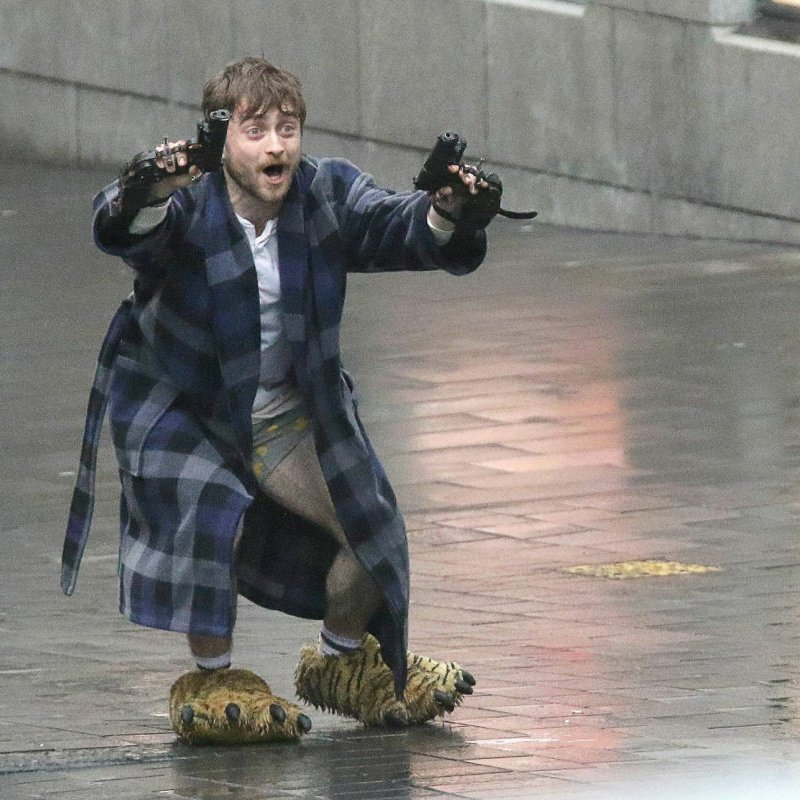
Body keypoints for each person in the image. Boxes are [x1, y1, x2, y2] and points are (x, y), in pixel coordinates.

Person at [62, 57, 499, 744]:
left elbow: (393, 222)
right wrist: (143, 191)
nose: (276, 146)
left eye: (287, 129)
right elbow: (125, 228)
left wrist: (449, 212)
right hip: (186, 407)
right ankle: (214, 678)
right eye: (256, 130)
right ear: (221, 139)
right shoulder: (189, 204)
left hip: (285, 411)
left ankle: (341, 661)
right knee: (214, 514)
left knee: (371, 529)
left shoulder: (323, 194)